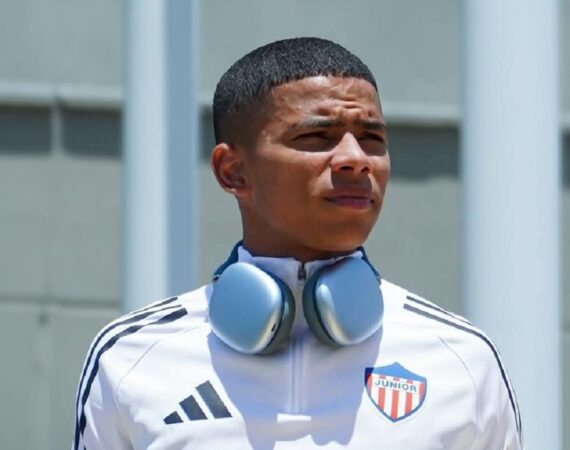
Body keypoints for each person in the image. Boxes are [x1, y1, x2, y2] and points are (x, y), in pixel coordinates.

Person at [72, 37, 522, 450]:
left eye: (372, 139)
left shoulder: (462, 360)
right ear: (232, 171)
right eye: (316, 137)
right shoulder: (130, 359)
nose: (355, 159)